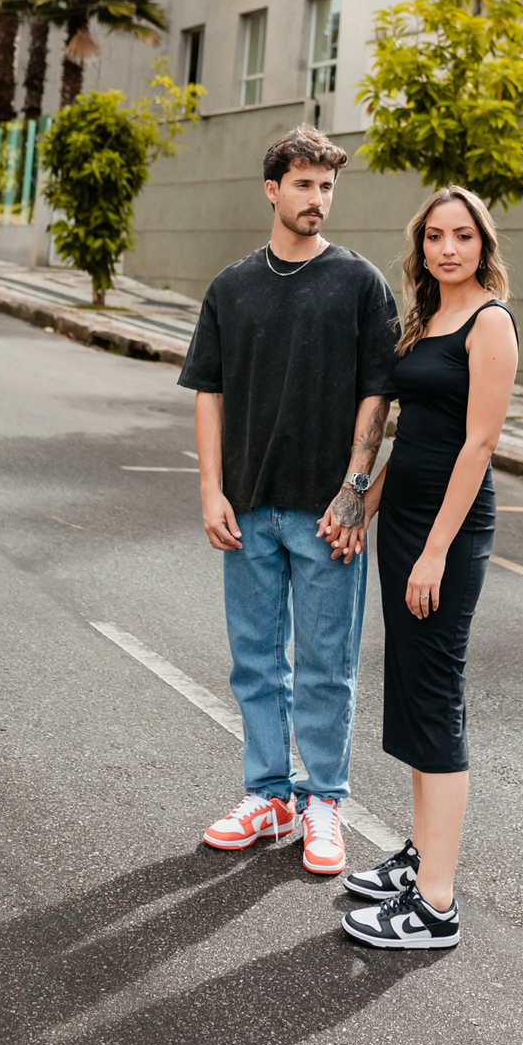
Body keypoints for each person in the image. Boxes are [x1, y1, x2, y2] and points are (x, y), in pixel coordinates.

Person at [178, 124, 398, 877]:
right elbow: (209, 394)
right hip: (248, 507)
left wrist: (355, 491)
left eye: (327, 186)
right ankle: (269, 796)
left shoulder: (360, 283)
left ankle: (324, 800)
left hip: (325, 512)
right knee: (255, 664)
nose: (317, 199)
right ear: (272, 189)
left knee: (326, 666)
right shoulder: (231, 288)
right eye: (304, 184)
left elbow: (378, 394)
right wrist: (211, 490)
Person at [336, 186, 518, 950]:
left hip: (449, 532)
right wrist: (362, 504)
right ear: (422, 247)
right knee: (413, 691)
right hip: (406, 522)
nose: (449, 248)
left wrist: (437, 550)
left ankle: (435, 905)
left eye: (463, 236)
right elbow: (411, 436)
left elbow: (478, 445)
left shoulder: (490, 323)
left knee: (436, 696)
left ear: (483, 245)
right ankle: (420, 857)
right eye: (436, 236)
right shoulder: (426, 319)